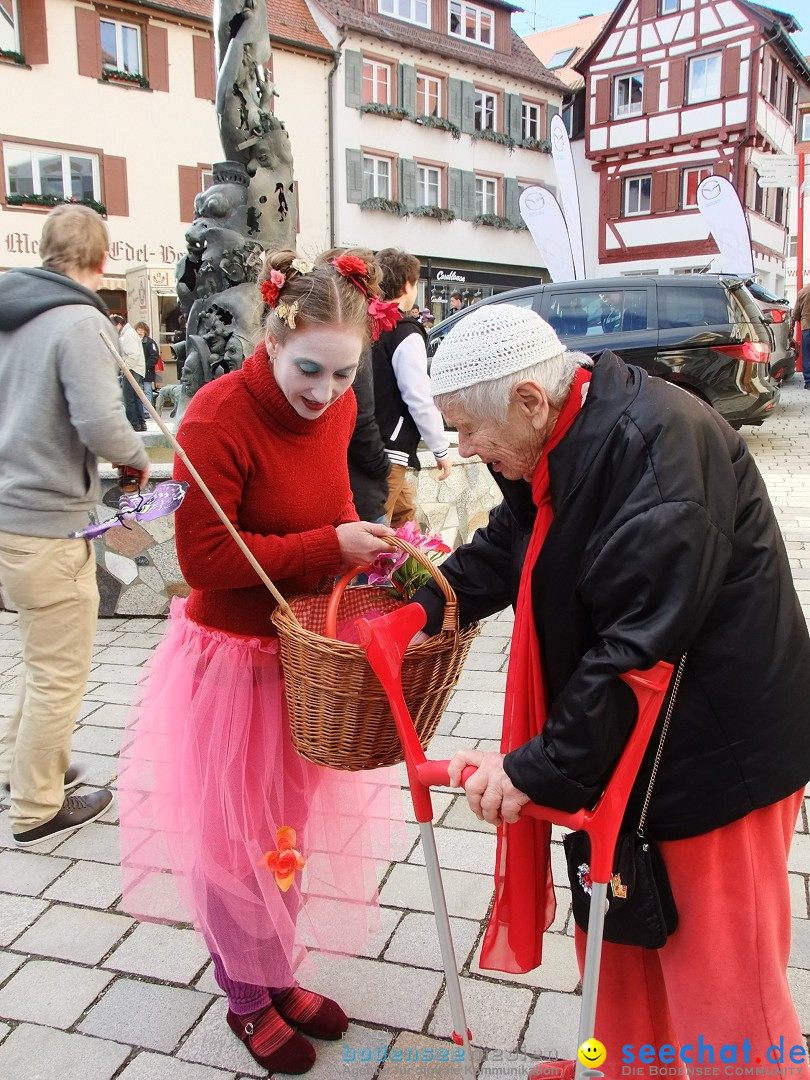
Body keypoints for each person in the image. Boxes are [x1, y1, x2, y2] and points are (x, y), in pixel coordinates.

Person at [415, 304, 810, 1076]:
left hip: (714, 751)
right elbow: (511, 542)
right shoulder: (558, 431)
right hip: (639, 740)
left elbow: (637, 647)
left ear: (530, 399)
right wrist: (422, 603)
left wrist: (534, 768)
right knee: (621, 928)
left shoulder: (660, 448)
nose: (462, 450)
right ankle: (628, 1068)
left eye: (468, 429)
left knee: (723, 982)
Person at [119, 250, 402, 1076]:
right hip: (231, 665)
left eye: (344, 375)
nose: (324, 392)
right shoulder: (216, 417)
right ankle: (244, 993)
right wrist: (326, 544)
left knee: (287, 830)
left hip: (303, 658)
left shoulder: (337, 411)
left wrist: (363, 554)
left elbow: (336, 504)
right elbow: (205, 560)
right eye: (309, 369)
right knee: (232, 839)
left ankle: (275, 968)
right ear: (274, 338)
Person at [0, 203, 150, 847]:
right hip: (51, 520)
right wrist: (137, 459)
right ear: (100, 259)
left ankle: (21, 769)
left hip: (9, 516)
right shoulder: (79, 319)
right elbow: (100, 421)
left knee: (39, 658)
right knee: (59, 670)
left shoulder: (11, 313)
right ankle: (37, 807)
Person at [372, 249, 451, 527]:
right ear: (408, 285)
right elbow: (418, 395)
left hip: (370, 443)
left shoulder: (369, 323)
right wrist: (440, 449)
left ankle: (416, 571)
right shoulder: (404, 331)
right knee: (375, 537)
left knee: (405, 525)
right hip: (389, 449)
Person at [112, 313, 147, 431]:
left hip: (132, 369)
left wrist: (124, 369)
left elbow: (133, 355)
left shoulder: (128, 335)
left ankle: (134, 424)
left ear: (118, 324)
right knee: (136, 397)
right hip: (137, 369)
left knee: (128, 398)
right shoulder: (130, 333)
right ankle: (141, 423)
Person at [135, 321, 161, 411]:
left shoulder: (150, 343)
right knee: (139, 391)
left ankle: (147, 410)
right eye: (138, 329)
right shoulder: (135, 342)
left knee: (147, 390)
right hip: (138, 371)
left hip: (147, 371)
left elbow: (154, 357)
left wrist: (145, 366)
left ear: (146, 331)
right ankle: (141, 410)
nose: (139, 332)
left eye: (141, 329)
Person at [791, 282, 810, 388]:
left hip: (807, 327)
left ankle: (808, 382)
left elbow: (796, 313)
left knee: (807, 355)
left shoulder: (802, 292)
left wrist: (802, 320)